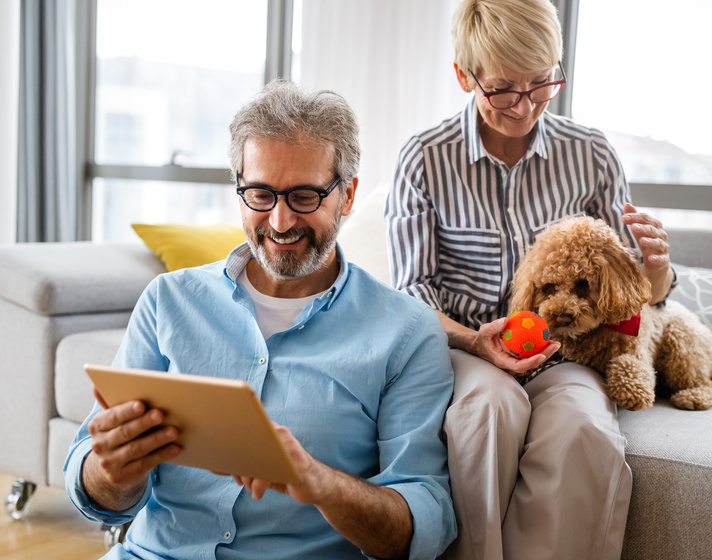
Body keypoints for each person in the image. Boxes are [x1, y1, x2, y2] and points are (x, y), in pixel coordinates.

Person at [65, 79, 457, 560]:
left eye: (305, 197)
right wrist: (113, 474)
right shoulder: (168, 301)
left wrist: (322, 484)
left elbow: (421, 526)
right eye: (260, 194)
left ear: (348, 196)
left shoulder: (407, 332)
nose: (280, 221)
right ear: (239, 189)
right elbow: (95, 490)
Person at [385, 1, 676, 559]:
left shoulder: (592, 155)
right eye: (502, 90)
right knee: (488, 415)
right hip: (468, 348)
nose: (524, 106)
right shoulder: (423, 159)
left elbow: (635, 295)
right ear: (464, 76)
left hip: (570, 353)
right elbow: (412, 295)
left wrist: (655, 269)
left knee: (584, 430)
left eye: (540, 83)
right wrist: (475, 341)